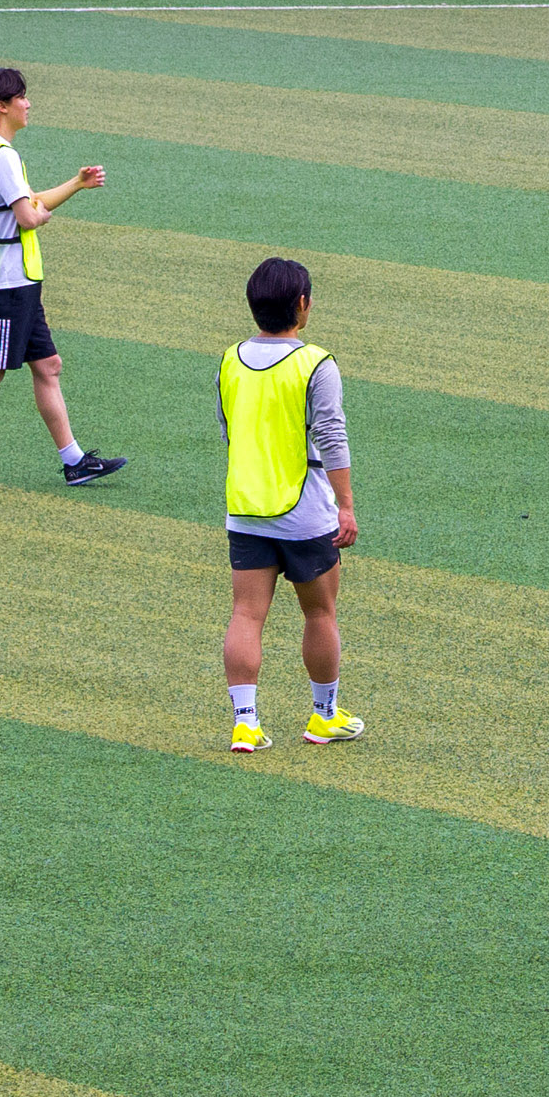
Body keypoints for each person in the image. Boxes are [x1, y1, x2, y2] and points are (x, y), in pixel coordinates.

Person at [0, 66, 126, 492]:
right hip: (7, 286)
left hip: (17, 284)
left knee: (48, 367)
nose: (28, 103)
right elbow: (28, 215)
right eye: (21, 97)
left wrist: (75, 184)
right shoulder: (2, 156)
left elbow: (28, 200)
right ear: (2, 106)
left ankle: (74, 462)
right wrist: (41, 216)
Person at [217, 257, 359, 755]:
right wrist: (345, 505)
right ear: (302, 305)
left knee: (246, 614)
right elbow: (332, 437)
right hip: (305, 511)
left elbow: (228, 430)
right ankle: (324, 716)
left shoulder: (230, 358)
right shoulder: (316, 363)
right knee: (320, 613)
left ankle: (245, 722)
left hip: (246, 506)